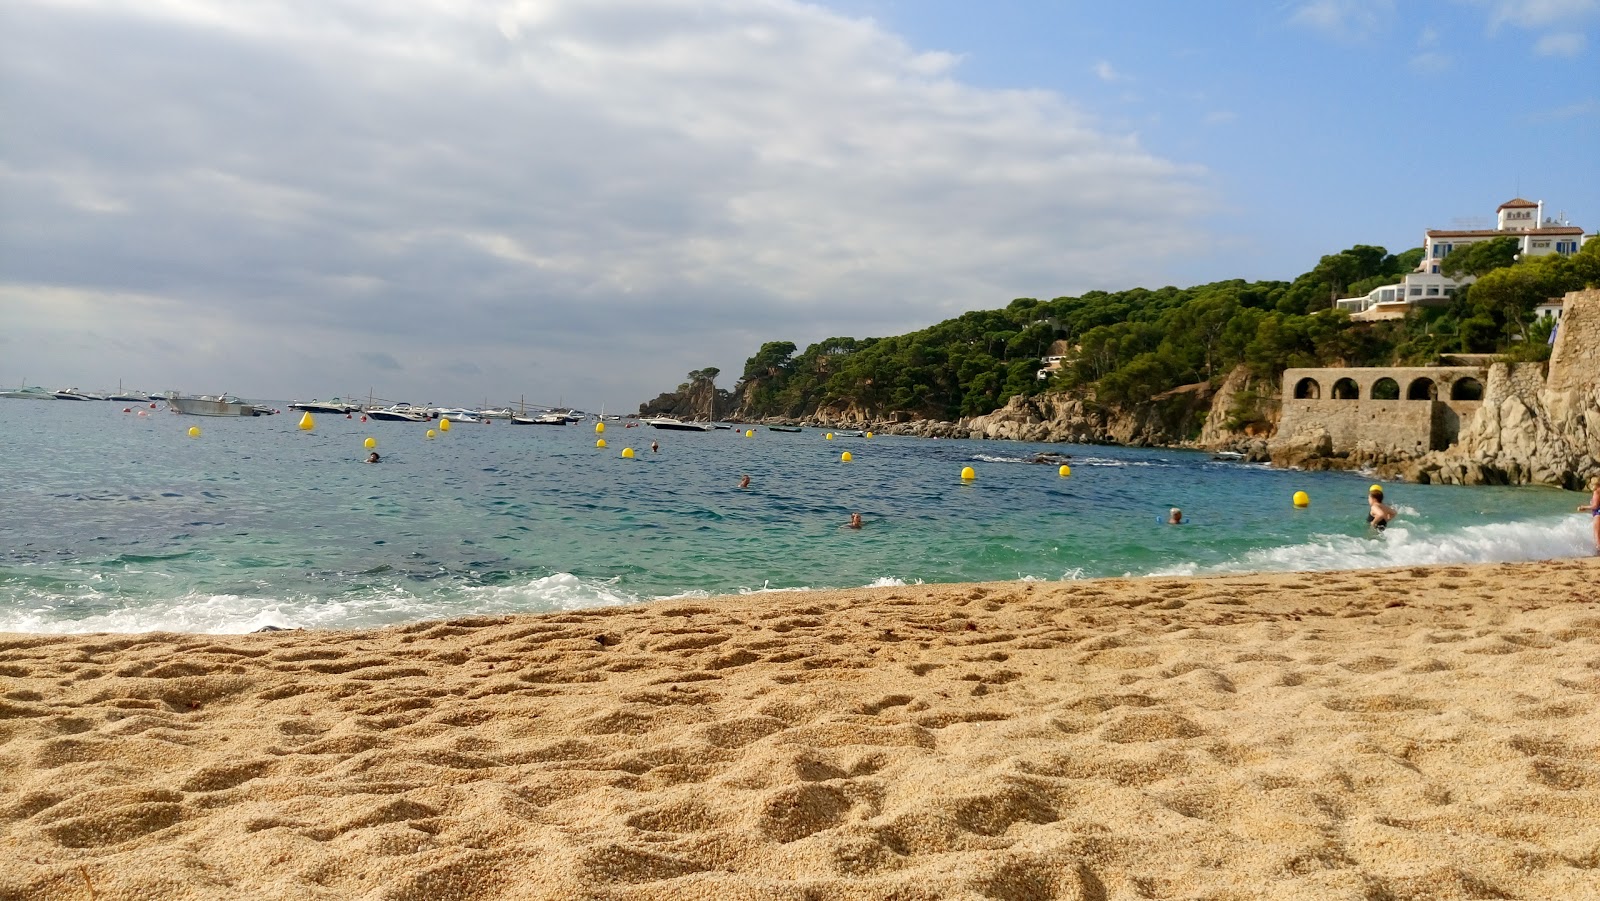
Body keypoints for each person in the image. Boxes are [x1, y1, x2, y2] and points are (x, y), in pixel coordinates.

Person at [1579, 475, 1600, 554]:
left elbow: (1595, 506)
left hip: (1598, 514)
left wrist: (1583, 507)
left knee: (1597, 534)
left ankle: (1598, 551)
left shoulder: (1597, 492)